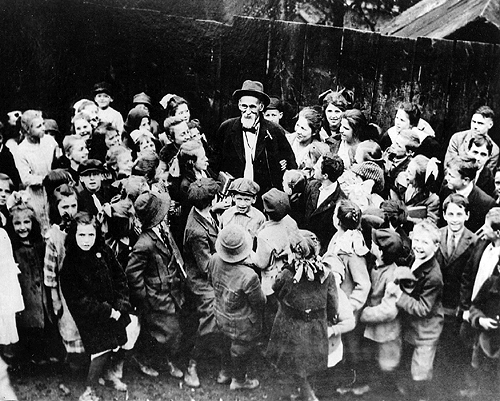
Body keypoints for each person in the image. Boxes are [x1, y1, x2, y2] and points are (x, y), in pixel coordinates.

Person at [61, 212, 139, 401]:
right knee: (101, 349)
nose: (86, 240)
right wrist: (107, 311)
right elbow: (78, 299)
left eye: (90, 235)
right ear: (74, 235)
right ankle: (90, 388)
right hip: (93, 317)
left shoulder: (104, 251)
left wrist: (120, 305)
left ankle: (109, 374)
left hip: (116, 310)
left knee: (124, 338)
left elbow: (120, 277)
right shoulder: (71, 263)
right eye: (81, 235)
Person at [266, 230, 339, 401]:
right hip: (316, 325)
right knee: (310, 359)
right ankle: (305, 388)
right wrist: (331, 316)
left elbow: (276, 289)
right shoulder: (326, 273)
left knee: (292, 360)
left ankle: (304, 392)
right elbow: (333, 301)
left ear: (294, 252)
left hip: (290, 325)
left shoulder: (287, 274)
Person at [126, 191, 185, 379]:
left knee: (169, 331)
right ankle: (145, 360)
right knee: (169, 331)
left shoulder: (162, 231)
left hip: (171, 291)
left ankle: (164, 359)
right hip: (156, 297)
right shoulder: (144, 243)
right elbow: (132, 274)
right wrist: (144, 298)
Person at [388, 221, 444, 401]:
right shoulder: (415, 258)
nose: (419, 246)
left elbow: (424, 308)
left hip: (426, 332)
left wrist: (398, 296)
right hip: (413, 327)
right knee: (408, 370)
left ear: (436, 246)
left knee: (420, 372)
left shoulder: (434, 276)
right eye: (417, 240)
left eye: (425, 242)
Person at [212, 80, 297, 195]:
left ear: (261, 107)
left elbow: (290, 163)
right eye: (244, 106)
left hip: (263, 196)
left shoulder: (274, 131)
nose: (247, 112)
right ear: (238, 105)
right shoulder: (226, 128)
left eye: (252, 107)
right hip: (233, 194)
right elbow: (214, 164)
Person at [208, 224, 266, 390]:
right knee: (240, 349)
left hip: (220, 313)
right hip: (243, 323)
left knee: (225, 343)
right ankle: (239, 380)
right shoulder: (249, 276)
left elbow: (210, 280)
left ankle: (224, 373)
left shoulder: (213, 259)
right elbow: (259, 302)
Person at [434, 194, 478, 398]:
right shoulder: (437, 235)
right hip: (437, 303)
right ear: (443, 214)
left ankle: (453, 390)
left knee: (455, 349)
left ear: (467, 215)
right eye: (450, 214)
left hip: (458, 305)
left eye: (459, 214)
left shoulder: (475, 241)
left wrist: (465, 306)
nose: (454, 219)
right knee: (438, 349)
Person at [359, 229, 411, 396]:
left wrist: (364, 314)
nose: (371, 245)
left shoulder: (393, 276)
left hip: (387, 331)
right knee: (376, 363)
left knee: (388, 365)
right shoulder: (376, 265)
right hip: (376, 329)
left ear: (381, 251)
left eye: (374, 244)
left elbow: (389, 311)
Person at [7, 201, 57, 364]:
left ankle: (46, 355)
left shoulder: (41, 245)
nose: (22, 227)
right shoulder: (13, 250)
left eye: (26, 222)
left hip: (42, 291)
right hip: (25, 292)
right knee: (28, 323)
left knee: (45, 320)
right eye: (17, 223)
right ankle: (29, 358)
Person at [181, 178, 220, 387]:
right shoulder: (197, 231)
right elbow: (206, 267)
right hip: (200, 280)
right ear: (210, 200)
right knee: (212, 314)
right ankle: (192, 363)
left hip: (208, 272)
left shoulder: (203, 213)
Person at [44, 184, 86, 371]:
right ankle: (74, 363)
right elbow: (50, 270)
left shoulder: (83, 230)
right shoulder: (54, 236)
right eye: (64, 207)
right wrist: (55, 298)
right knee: (70, 324)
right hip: (65, 290)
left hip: (85, 287)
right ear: (56, 208)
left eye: (73, 206)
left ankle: (88, 364)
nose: (69, 211)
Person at [15, 110, 59, 233]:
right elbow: (26, 178)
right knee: (41, 226)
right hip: (36, 195)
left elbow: (58, 159)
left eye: (43, 124)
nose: (44, 128)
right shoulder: (21, 150)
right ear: (27, 130)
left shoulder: (49, 141)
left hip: (53, 190)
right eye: (39, 126)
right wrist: (45, 179)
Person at [302, 153, 346, 254]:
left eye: (317, 167)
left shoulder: (340, 202)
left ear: (325, 176)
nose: (313, 167)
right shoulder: (311, 186)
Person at [440, 156, 496, 233]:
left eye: (451, 175)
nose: (446, 178)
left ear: (466, 180)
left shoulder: (486, 203)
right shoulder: (445, 190)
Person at [445, 106, 498, 172]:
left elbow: (486, 176)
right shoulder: (457, 138)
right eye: (473, 122)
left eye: (480, 123)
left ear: (490, 125)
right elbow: (448, 166)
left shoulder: (494, 150)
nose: (475, 126)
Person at [0, 228, 24, 365]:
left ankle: (7, 355)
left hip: (2, 286)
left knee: (5, 322)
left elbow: (6, 265)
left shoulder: (1, 235)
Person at [467, 132, 496, 197]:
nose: (478, 158)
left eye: (483, 154)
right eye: (475, 152)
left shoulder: (490, 177)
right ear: (468, 151)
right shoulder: (456, 169)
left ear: (489, 157)